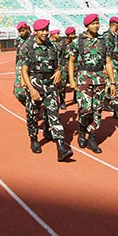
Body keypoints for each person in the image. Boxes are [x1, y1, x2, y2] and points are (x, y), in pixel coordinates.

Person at [20, 19, 73, 161]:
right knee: (32, 115)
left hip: (50, 85)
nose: (45, 33)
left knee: (54, 114)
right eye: (42, 30)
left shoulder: (53, 47)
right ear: (35, 32)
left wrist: (59, 71)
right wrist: (30, 89)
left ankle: (61, 147)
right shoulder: (27, 47)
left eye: (46, 30)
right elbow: (24, 70)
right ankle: (34, 139)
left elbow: (59, 64)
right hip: (35, 83)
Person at [68, 13, 118, 154]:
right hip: (84, 78)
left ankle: (92, 139)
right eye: (93, 24)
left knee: (97, 110)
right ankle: (82, 130)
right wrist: (72, 80)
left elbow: (108, 62)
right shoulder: (78, 41)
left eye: (97, 23)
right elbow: (71, 61)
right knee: (85, 109)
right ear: (87, 25)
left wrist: (112, 82)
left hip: (100, 79)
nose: (96, 26)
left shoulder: (104, 41)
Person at [103, 16, 118, 121]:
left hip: (116, 64)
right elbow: (106, 53)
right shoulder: (107, 36)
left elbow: (117, 51)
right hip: (110, 65)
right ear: (115, 25)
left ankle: (106, 101)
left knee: (113, 86)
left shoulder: (114, 36)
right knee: (115, 86)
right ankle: (117, 111)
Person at [13, 22, 32, 105]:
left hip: (31, 68)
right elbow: (17, 55)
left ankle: (33, 109)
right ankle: (29, 106)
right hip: (20, 68)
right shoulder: (17, 41)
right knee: (18, 92)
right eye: (20, 31)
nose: (21, 33)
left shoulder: (33, 40)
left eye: (23, 30)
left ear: (27, 29)